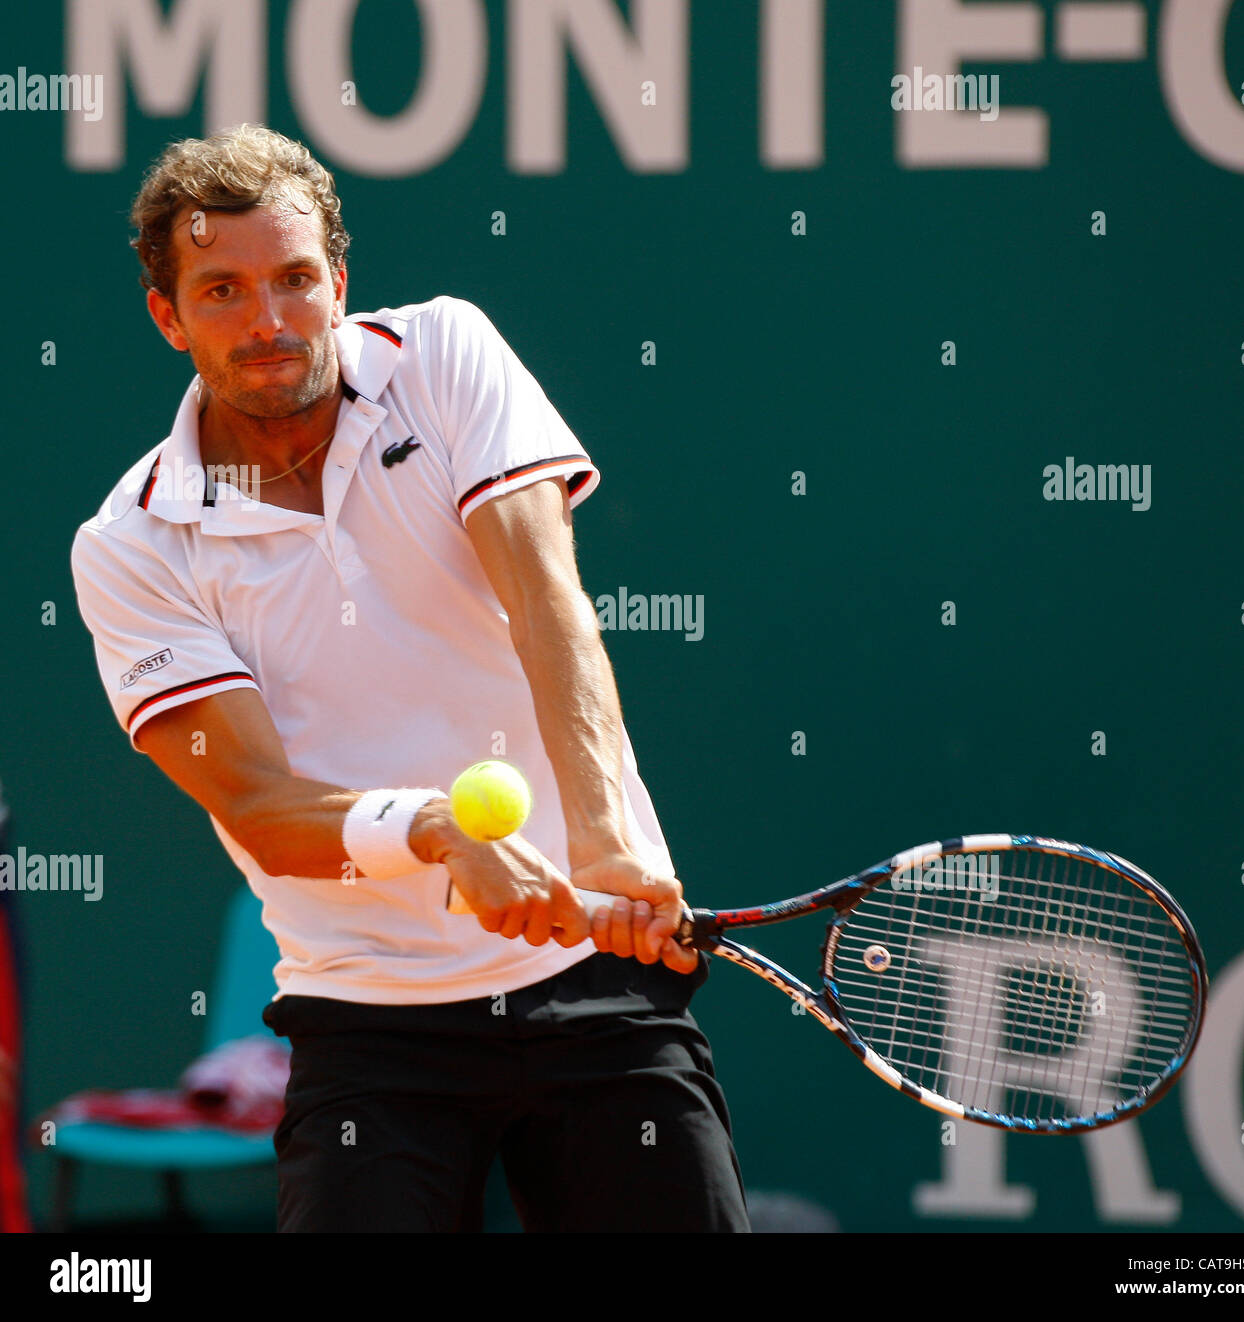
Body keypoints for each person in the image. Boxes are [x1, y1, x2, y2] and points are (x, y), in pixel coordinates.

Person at [70, 124, 749, 1233]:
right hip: (368, 1016)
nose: (271, 320)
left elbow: (548, 606)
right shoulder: (132, 544)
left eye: (295, 279)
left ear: (338, 280)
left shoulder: (441, 355)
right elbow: (258, 802)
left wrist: (606, 838)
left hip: (595, 978)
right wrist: (436, 831)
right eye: (224, 291)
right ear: (169, 315)